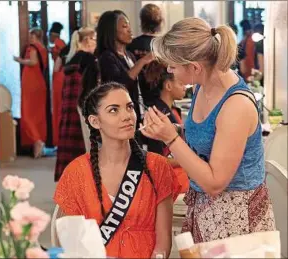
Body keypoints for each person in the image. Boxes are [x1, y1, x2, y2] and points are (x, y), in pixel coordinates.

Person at [140, 17, 276, 243]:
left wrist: (171, 138)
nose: (169, 70)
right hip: (205, 210)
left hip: (235, 219)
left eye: (173, 65)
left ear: (194, 67)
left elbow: (215, 183)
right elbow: (208, 139)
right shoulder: (201, 87)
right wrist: (174, 130)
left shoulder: (236, 105)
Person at [54, 82, 180, 258]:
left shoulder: (157, 167)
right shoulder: (77, 172)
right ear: (95, 121)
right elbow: (70, 243)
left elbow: (163, 243)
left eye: (129, 107)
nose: (127, 116)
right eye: (114, 110)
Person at [97, 10, 154, 129]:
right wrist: (142, 61)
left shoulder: (130, 55)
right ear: (112, 31)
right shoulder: (107, 57)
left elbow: (140, 84)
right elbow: (119, 85)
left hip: (138, 112)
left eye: (129, 25)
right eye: (124, 26)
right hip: (120, 118)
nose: (129, 30)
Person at [54, 27, 96, 182]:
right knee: (84, 148)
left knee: (69, 148)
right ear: (86, 40)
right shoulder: (88, 59)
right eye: (94, 39)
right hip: (81, 109)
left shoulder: (71, 59)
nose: (96, 43)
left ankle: (69, 181)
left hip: (68, 111)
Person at [143, 61, 189, 193]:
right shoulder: (157, 116)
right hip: (170, 176)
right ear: (168, 85)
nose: (185, 87)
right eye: (180, 83)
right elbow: (157, 160)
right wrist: (187, 160)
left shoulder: (172, 110)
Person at [14, 28, 48, 158]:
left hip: (31, 83)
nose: (29, 37)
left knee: (27, 113)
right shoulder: (43, 48)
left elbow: (33, 62)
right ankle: (38, 144)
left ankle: (36, 140)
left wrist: (20, 60)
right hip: (39, 83)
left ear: (34, 36)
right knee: (37, 114)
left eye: (30, 35)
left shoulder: (32, 48)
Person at [128, 3, 163, 107]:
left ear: (142, 21)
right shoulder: (164, 45)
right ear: (160, 22)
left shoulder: (131, 44)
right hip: (160, 97)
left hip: (136, 96)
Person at [49, 22, 67, 146]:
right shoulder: (62, 43)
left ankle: (58, 140)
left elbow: (59, 61)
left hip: (59, 76)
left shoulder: (57, 44)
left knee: (58, 108)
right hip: (60, 76)